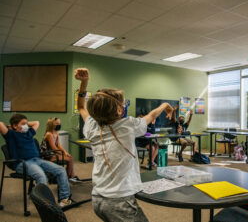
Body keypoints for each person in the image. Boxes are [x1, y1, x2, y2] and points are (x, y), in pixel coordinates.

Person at [75, 68, 173, 222]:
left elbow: (81, 107)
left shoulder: (91, 126)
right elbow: (152, 115)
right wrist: (165, 104)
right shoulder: (128, 125)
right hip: (119, 202)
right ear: (119, 110)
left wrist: (84, 83)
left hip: (97, 199)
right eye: (123, 102)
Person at [0, 114, 71, 207]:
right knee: (41, 176)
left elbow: (36, 123)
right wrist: (11, 126)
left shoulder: (29, 133)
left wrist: (24, 124)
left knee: (60, 170)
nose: (26, 126)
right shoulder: (11, 135)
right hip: (22, 163)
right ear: (14, 125)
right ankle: (45, 204)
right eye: (23, 124)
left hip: (37, 160)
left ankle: (64, 199)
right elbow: (0, 124)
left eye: (26, 123)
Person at [44, 117, 80, 182]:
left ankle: (70, 176)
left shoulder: (56, 133)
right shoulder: (49, 134)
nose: (59, 124)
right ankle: (68, 177)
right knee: (70, 159)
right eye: (57, 123)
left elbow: (58, 145)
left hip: (54, 153)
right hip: (48, 155)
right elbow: (53, 148)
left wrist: (65, 152)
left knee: (70, 157)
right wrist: (62, 154)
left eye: (59, 123)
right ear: (51, 124)